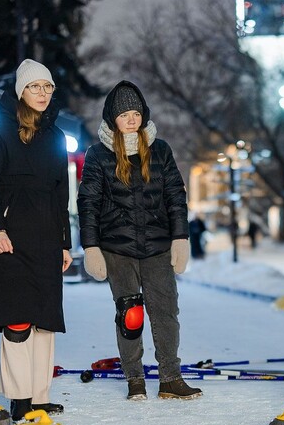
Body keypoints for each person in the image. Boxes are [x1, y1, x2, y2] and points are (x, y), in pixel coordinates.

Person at [77, 80, 200, 401]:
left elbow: (176, 195)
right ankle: (135, 379)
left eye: (136, 113)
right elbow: (87, 202)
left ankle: (170, 378)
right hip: (117, 249)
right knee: (130, 315)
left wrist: (180, 238)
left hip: (158, 246)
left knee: (166, 312)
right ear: (112, 119)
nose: (131, 119)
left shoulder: (160, 150)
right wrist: (90, 247)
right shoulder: (98, 154)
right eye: (124, 115)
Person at [0, 59, 72, 421]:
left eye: (48, 87)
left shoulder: (57, 136)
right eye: (35, 87)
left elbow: (61, 192)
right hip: (9, 238)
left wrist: (65, 242)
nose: (43, 94)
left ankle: (39, 395)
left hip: (47, 236)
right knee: (17, 318)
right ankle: (19, 397)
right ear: (20, 91)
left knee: (44, 317)